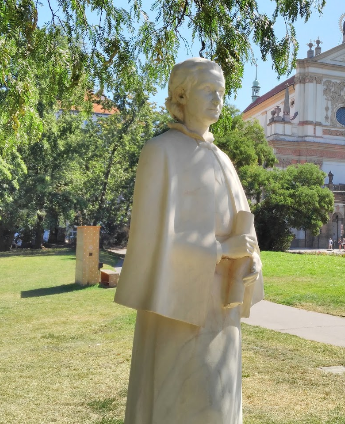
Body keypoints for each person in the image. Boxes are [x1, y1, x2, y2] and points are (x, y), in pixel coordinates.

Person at [114, 58, 264, 424]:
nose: (218, 99)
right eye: (208, 90)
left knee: (221, 404)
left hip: (223, 308)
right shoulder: (160, 152)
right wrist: (217, 250)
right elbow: (152, 243)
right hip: (178, 309)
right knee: (183, 404)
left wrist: (251, 258)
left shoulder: (223, 160)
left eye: (222, 93)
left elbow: (243, 228)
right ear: (181, 95)